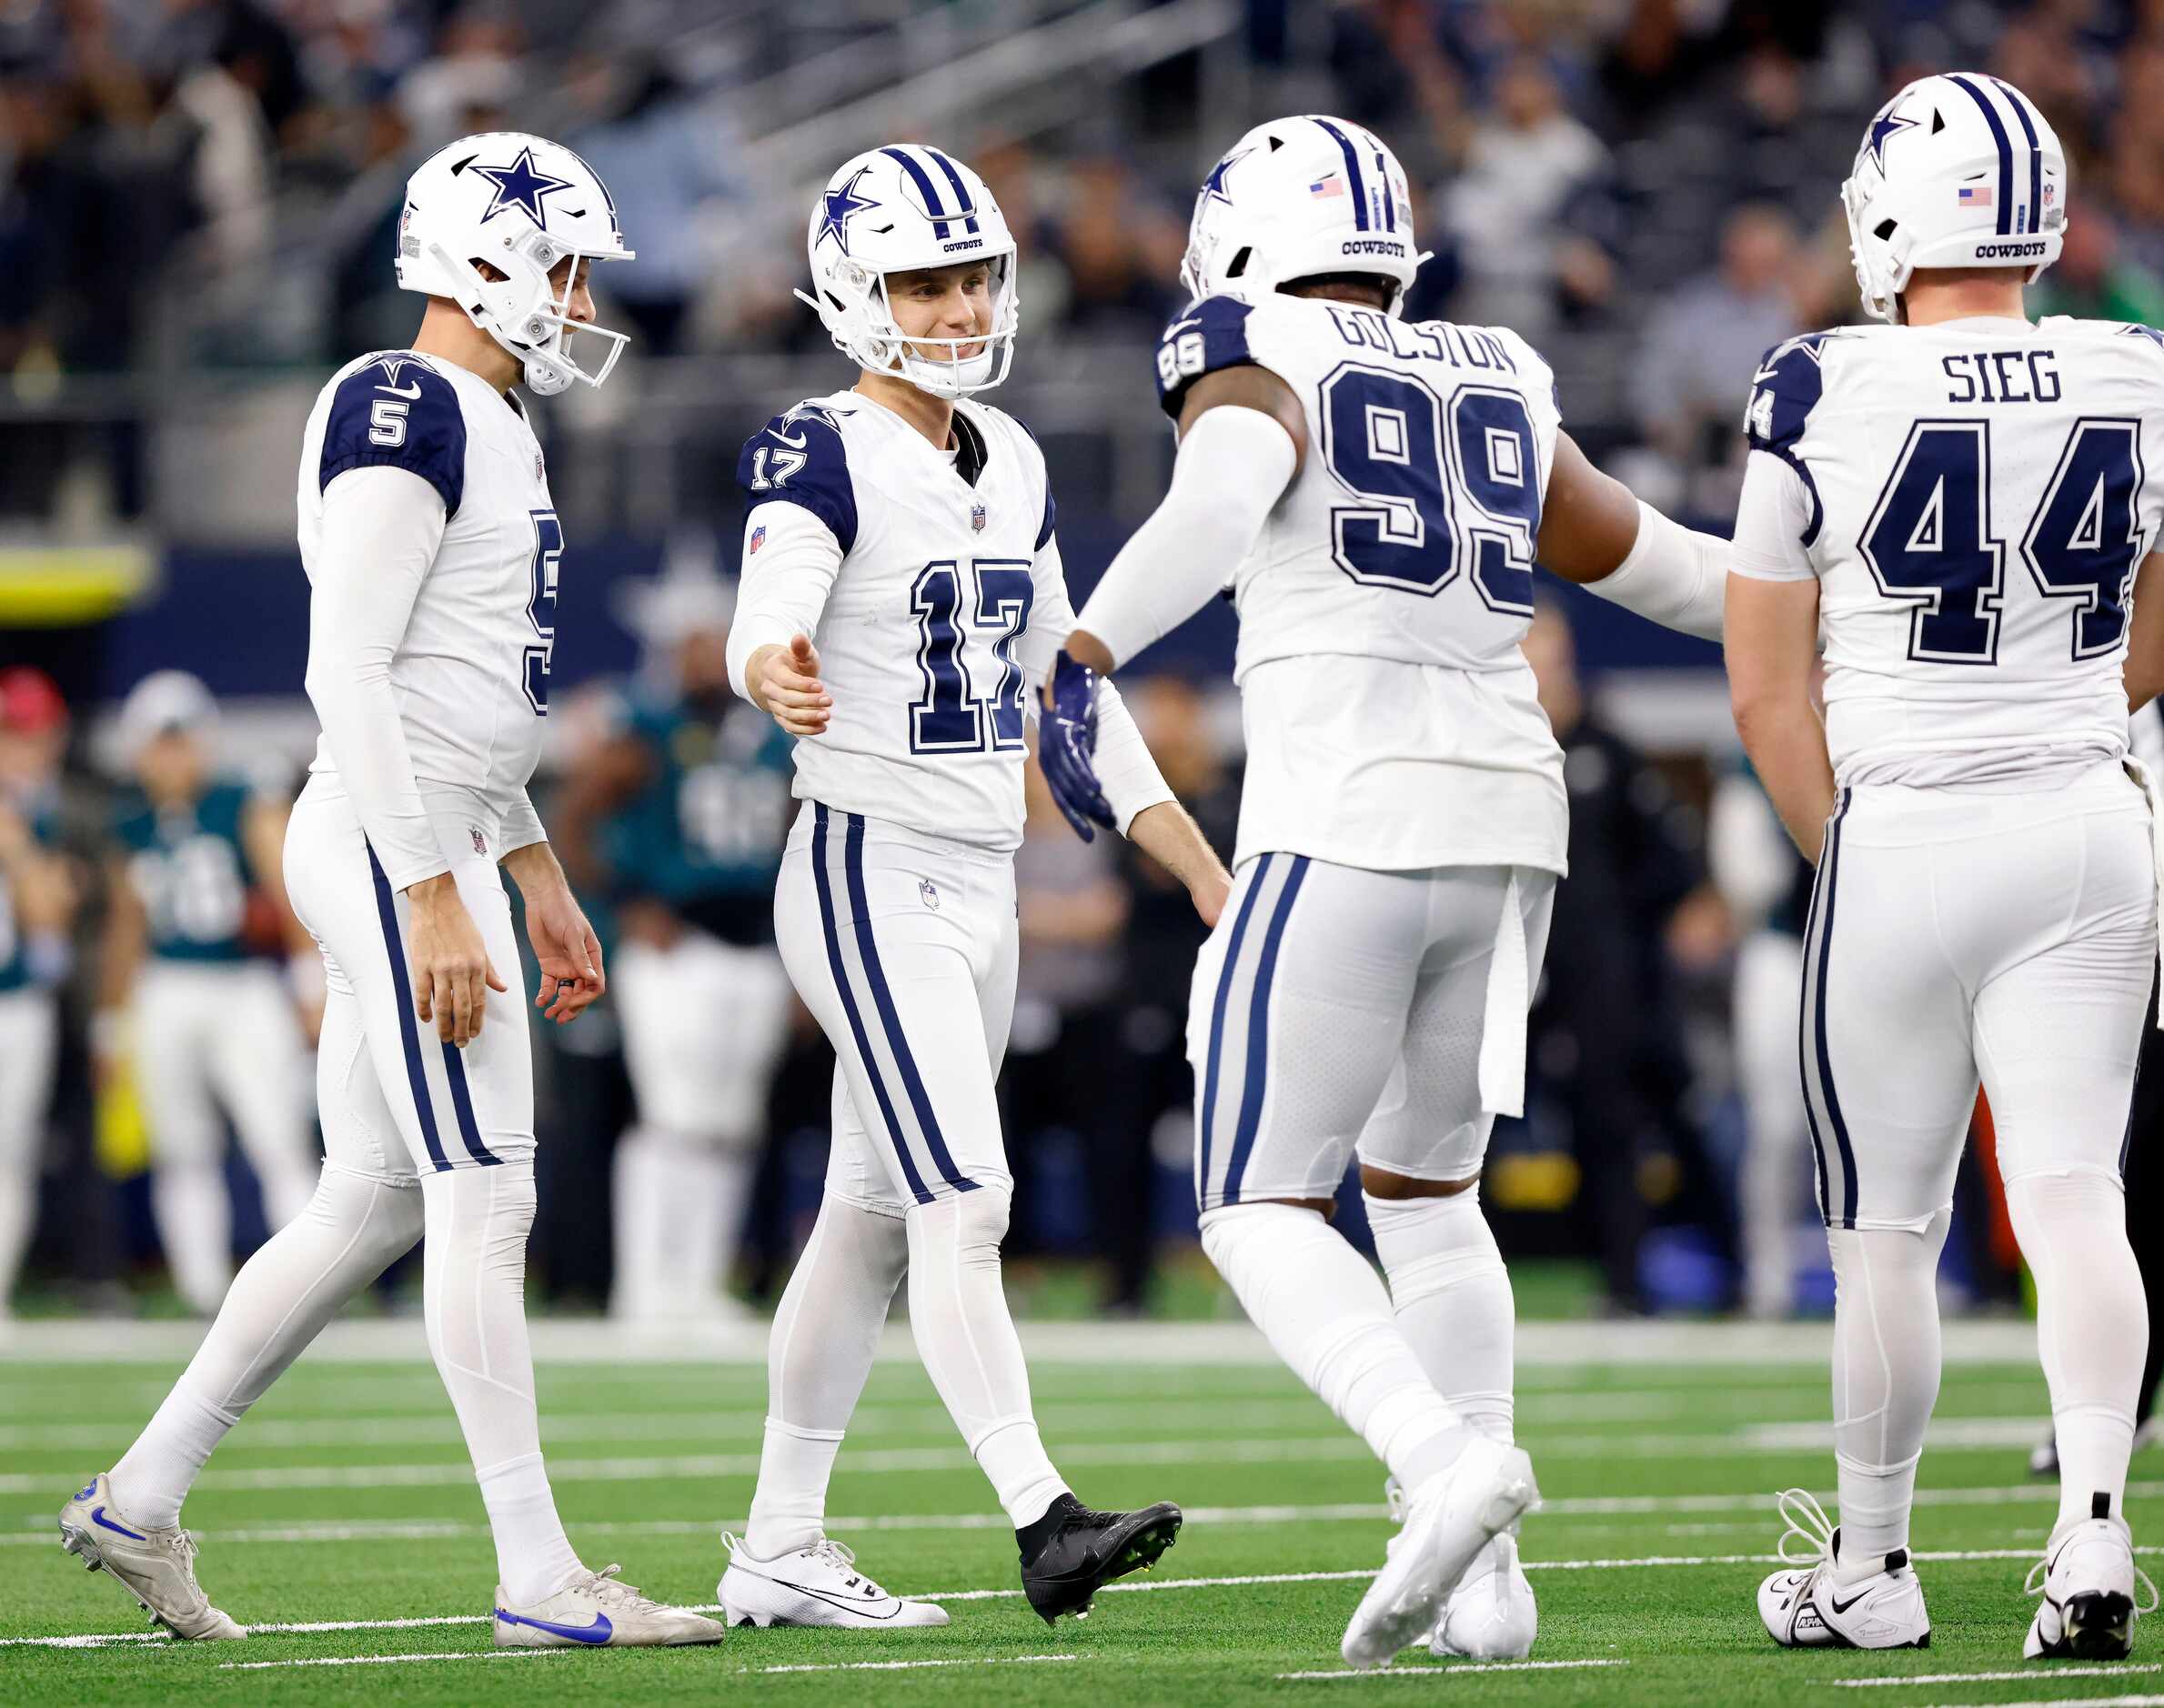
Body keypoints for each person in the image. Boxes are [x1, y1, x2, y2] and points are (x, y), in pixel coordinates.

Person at [1055, 115, 1728, 1670]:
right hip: (1507, 821)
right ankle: (1487, 1586)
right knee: (1425, 1195)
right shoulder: (1488, 360)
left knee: (1249, 1199)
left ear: (1236, 236)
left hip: (1344, 812)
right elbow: (1653, 564)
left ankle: (1441, 1462)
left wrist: (1083, 646)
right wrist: (1828, 609)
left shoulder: (1247, 337)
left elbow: (1222, 502)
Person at [58, 130, 721, 1649]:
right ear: (480, 253)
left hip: (433, 823)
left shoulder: (487, 415)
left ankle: (139, 1494)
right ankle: (540, 1575)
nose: (577, 292)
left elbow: (467, 695)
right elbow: (344, 668)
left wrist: (533, 864)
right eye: (560, 260)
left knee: (370, 1196)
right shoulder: (404, 397)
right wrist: (432, 887)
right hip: (386, 830)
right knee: (489, 1192)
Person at [718, 142, 1228, 1632]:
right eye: (920, 282)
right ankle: (1040, 1514)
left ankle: (777, 1541)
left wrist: (1192, 859)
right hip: (864, 858)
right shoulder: (815, 443)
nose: (952, 307)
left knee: (870, 1212)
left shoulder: (1009, 456)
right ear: (851, 294)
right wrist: (772, 668)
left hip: (976, 873)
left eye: (969, 277)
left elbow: (1062, 689)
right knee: (969, 1190)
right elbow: (769, 610)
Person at [1732, 75, 2164, 1660]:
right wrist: (2059, 716)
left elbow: (1763, 690)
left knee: (1884, 1237)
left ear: (1890, 218)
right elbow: (2154, 614)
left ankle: (1869, 1562)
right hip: (2079, 820)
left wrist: (1839, 851)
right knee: (2070, 1195)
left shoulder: (1815, 384)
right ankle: (2093, 1529)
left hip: (1902, 825)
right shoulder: (2132, 367)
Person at [555, 562, 794, 1323]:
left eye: (715, 638)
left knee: (730, 1127)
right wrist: (626, 906)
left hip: (754, 943)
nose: (705, 652)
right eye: (692, 640)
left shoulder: (768, 728)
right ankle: (646, 1289)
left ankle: (697, 1287)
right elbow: (575, 818)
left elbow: (797, 838)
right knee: (673, 1119)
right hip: (675, 943)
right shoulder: (647, 727)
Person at [95, 671, 318, 1315]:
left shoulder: (243, 800)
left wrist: (309, 983)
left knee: (276, 1137)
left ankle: (304, 1288)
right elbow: (125, 926)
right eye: (161, 743)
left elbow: (285, 889)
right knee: (181, 1148)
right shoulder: (131, 821)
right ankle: (202, 1292)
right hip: (164, 986)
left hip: (242, 984)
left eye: (182, 741)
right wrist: (110, 1023)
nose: (173, 756)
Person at [0, 668, 76, 1319]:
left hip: (17, 1000)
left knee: (11, 1154)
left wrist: (18, 848)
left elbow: (52, 917)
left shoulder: (42, 813)